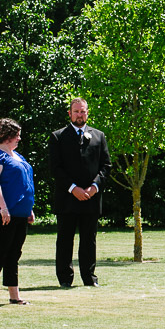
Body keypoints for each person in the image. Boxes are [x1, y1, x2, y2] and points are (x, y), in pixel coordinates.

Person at [49, 98, 111, 288]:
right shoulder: (58, 137)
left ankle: (89, 278)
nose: (79, 115)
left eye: (82, 111)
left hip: (91, 198)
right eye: (76, 111)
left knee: (89, 240)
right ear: (70, 113)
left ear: (87, 113)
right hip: (67, 198)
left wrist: (94, 187)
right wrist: (73, 188)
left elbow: (106, 166)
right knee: (65, 240)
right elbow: (55, 168)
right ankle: (65, 278)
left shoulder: (99, 136)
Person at [0, 118, 35, 307]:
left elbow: (24, 184)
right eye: (16, 135)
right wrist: (3, 207)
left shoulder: (17, 156)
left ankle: (14, 295)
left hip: (20, 214)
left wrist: (29, 208)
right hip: (0, 214)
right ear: (6, 135)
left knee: (14, 254)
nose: (19, 138)